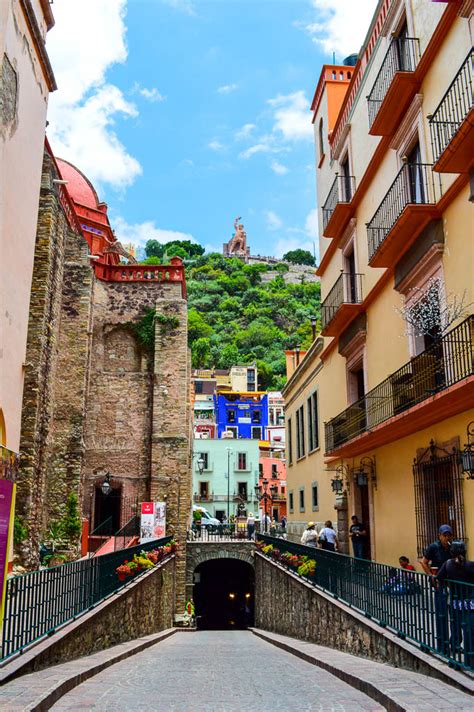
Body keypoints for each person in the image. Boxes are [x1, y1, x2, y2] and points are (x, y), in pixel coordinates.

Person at [436, 541, 474, 667]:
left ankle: (456, 657)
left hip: (455, 603)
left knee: (455, 627)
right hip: (470, 603)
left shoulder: (448, 565)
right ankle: (470, 660)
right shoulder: (471, 565)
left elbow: (438, 578)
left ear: (451, 553)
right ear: (465, 552)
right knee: (469, 630)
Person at [421, 524, 454, 654]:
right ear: (439, 536)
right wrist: (430, 576)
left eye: (448, 535)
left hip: (451, 584)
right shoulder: (433, 547)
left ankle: (454, 643)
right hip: (439, 584)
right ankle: (442, 645)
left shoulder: (452, 548)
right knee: (441, 614)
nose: (447, 537)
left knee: (454, 615)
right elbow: (424, 562)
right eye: (444, 535)